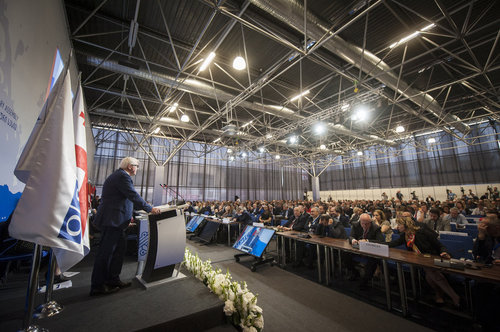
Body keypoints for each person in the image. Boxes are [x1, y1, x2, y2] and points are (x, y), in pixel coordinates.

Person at [90, 157, 160, 296]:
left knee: (118, 252)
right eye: (137, 166)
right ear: (129, 166)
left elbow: (125, 199)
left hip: (118, 221)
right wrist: (149, 208)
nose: (137, 169)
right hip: (112, 221)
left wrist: (130, 215)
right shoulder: (122, 177)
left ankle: (113, 279)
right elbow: (132, 195)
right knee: (106, 254)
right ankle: (98, 285)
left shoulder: (121, 176)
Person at [389, 216, 460, 307]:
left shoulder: (422, 232)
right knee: (430, 275)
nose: (397, 227)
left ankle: (452, 296)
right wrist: (372, 243)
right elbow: (392, 244)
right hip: (422, 261)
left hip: (438, 257)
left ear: (406, 225)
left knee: (431, 273)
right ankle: (445, 295)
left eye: (399, 224)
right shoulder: (405, 236)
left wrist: (444, 252)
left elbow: (439, 245)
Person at [349, 214, 385, 289]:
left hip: (371, 251)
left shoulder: (376, 228)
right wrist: (353, 240)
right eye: (363, 223)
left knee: (372, 260)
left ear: (370, 222)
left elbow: (381, 241)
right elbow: (351, 236)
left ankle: (365, 281)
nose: (365, 225)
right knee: (345, 254)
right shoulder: (356, 225)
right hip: (358, 248)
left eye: (367, 223)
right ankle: (355, 272)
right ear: (360, 222)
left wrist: (367, 241)